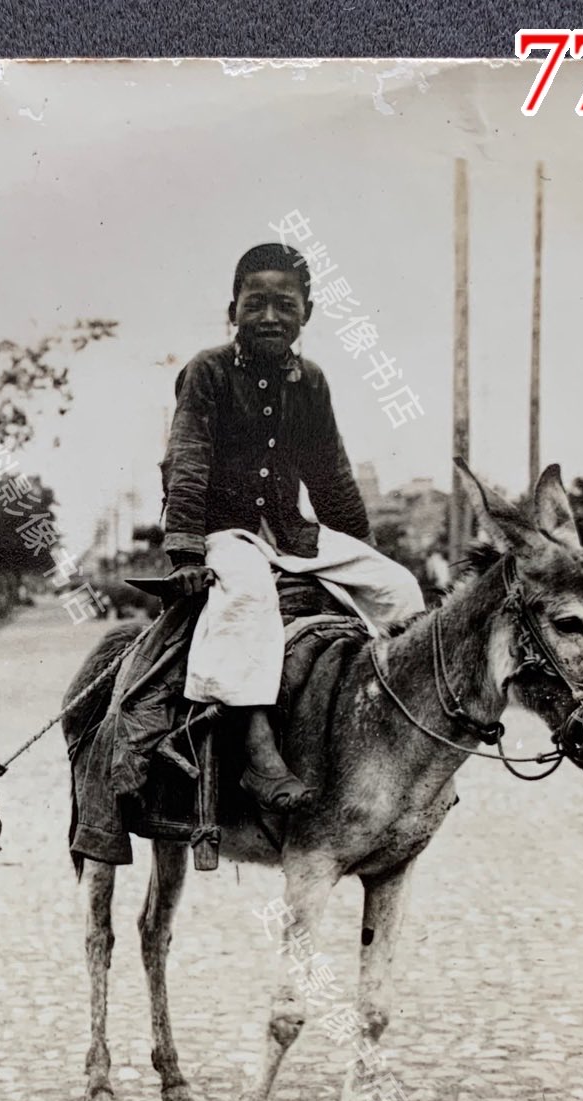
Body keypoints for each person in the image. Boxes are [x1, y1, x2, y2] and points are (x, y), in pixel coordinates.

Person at [157, 242, 424, 813]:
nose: (271, 318)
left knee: (398, 586)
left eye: (285, 304)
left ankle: (399, 735)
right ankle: (257, 751)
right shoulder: (206, 372)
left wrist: (358, 547)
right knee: (247, 594)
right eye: (256, 304)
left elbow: (330, 473)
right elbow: (187, 459)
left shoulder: (313, 383)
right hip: (223, 531)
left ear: (308, 313)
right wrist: (184, 553)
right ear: (234, 311)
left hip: (291, 531)